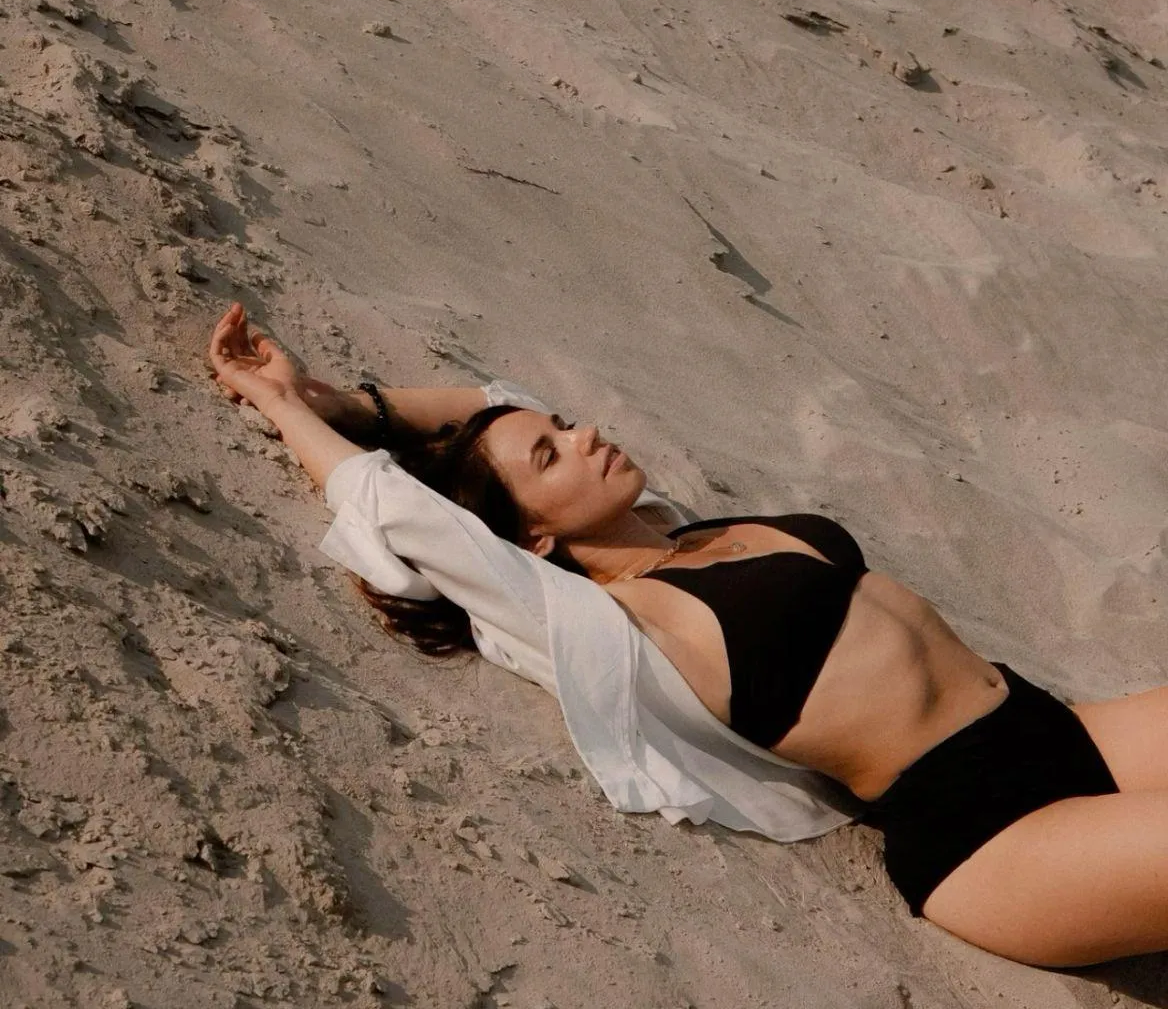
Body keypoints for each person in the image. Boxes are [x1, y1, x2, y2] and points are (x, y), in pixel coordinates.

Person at [209, 303, 1168, 971]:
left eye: (569, 425)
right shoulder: (608, 621)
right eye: (553, 455)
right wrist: (286, 407)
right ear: (536, 537)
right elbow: (403, 514)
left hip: (1056, 729)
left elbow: (485, 403)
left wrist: (352, 402)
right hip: (988, 836)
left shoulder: (683, 530)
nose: (583, 437)